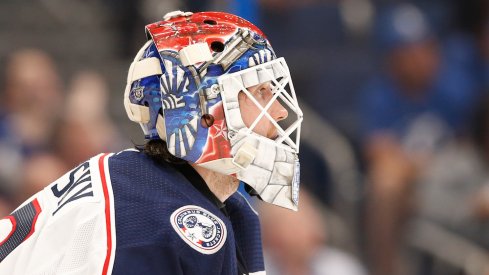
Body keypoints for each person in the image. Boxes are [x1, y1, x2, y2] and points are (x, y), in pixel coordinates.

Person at [0, 10, 303, 275]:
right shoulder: (161, 223)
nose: (278, 111)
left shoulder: (206, 202)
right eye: (260, 92)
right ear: (206, 111)